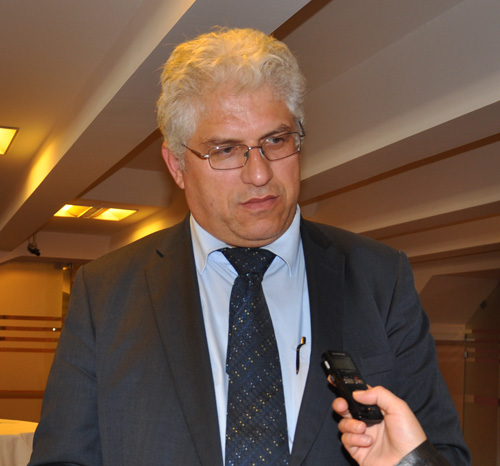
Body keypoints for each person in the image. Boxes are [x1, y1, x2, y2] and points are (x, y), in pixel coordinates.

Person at [28, 28, 470, 466]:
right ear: (177, 165)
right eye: (225, 149)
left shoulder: (380, 277)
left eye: (276, 140)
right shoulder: (105, 292)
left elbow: (443, 452)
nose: (259, 174)